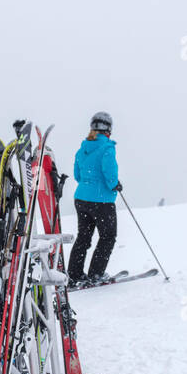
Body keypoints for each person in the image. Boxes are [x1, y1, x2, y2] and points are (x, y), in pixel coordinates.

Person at [69, 111, 121, 286]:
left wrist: (89, 185)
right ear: (109, 129)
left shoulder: (82, 148)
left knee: (84, 237)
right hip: (101, 201)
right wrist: (115, 184)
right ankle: (96, 274)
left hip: (81, 199)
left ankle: (74, 275)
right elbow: (110, 173)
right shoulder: (107, 148)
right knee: (108, 236)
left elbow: (78, 175)